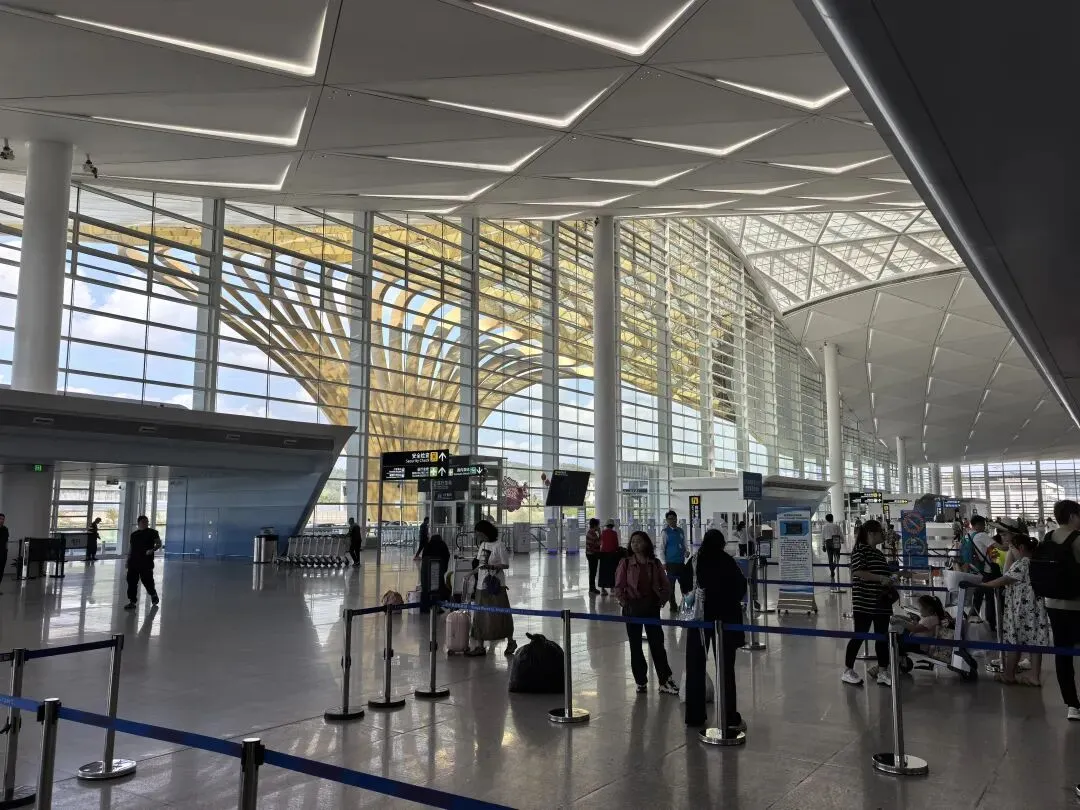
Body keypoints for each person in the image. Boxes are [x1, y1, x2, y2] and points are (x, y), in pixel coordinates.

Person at [684, 529, 747, 732]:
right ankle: (730, 716)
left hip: (699, 620)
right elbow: (740, 588)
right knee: (726, 669)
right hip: (726, 620)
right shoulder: (727, 562)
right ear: (721, 543)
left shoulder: (695, 560)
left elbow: (685, 585)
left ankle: (694, 715)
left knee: (695, 666)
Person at [980, 521, 1049, 686]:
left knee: (1013, 640)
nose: (1010, 550)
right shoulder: (1036, 561)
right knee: (1035, 642)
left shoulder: (1023, 563)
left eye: (1012, 548)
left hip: (1020, 609)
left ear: (1021, 548)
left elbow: (1006, 578)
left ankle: (1009, 675)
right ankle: (1034, 676)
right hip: (1036, 608)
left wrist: (984, 585)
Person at [615, 531, 679, 695]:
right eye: (633, 542)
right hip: (632, 608)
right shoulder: (626, 563)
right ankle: (640, 681)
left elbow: (665, 585)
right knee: (635, 646)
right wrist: (625, 603)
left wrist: (661, 600)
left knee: (657, 644)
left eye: (639, 541)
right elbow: (619, 586)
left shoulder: (655, 563)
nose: (635, 544)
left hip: (651, 607)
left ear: (646, 543)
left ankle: (665, 680)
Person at [841, 519, 897, 687]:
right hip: (865, 601)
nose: (883, 534)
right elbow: (858, 572)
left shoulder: (878, 553)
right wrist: (880, 578)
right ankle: (848, 670)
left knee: (882, 637)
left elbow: (884, 574)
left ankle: (883, 671)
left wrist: (892, 577)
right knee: (860, 635)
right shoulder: (860, 550)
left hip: (882, 602)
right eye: (881, 532)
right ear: (871, 533)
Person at [1040, 500, 1080, 719]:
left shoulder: (1047, 538)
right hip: (1076, 604)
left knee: (1062, 652)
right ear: (1073, 516)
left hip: (1053, 603)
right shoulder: (1077, 539)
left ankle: (1072, 705)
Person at [467, 520, 517, 656]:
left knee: (501, 614)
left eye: (479, 534)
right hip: (481, 585)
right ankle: (480, 646)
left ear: (486, 532)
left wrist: (493, 566)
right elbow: (480, 564)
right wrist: (470, 574)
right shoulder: (483, 545)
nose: (478, 537)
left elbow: (506, 564)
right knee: (480, 615)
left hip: (496, 585)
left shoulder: (499, 545)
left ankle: (511, 641)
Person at [961, 515, 997, 631]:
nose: (984, 527)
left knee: (977, 598)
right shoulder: (981, 535)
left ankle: (971, 623)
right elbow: (999, 547)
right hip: (986, 570)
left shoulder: (967, 536)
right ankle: (991, 624)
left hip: (974, 570)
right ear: (977, 525)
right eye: (983, 524)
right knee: (990, 598)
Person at [124, 515, 161, 610]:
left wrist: (152, 550)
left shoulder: (153, 532)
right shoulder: (134, 535)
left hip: (146, 562)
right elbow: (131, 548)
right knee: (131, 582)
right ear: (138, 523)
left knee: (147, 580)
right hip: (133, 562)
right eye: (143, 522)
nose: (145, 523)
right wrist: (127, 560)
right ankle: (132, 601)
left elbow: (159, 544)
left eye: (147, 521)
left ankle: (153, 594)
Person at [661, 510, 689, 612]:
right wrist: (664, 562)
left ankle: (686, 604)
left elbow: (685, 543)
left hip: (681, 562)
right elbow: (662, 548)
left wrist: (687, 551)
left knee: (684, 585)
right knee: (671, 587)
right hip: (671, 563)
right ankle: (673, 606)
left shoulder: (681, 531)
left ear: (676, 519)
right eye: (669, 519)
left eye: (673, 518)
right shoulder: (665, 532)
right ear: (667, 520)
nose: (672, 520)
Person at [596, 520, 621, 596]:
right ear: (612, 526)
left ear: (606, 525)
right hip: (612, 554)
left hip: (603, 554)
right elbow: (616, 544)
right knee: (612, 571)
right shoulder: (614, 533)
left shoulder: (603, 532)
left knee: (603, 572)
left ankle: (603, 589)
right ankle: (612, 589)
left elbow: (600, 542)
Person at [821, 513, 844, 582]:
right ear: (832, 518)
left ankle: (831, 570)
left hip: (828, 542)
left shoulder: (824, 527)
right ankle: (833, 568)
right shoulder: (836, 526)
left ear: (826, 519)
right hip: (836, 541)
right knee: (837, 557)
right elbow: (840, 534)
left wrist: (823, 545)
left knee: (830, 558)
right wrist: (842, 540)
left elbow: (823, 536)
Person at [585, 518, 602, 595]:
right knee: (593, 572)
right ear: (595, 525)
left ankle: (592, 588)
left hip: (590, 554)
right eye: (598, 525)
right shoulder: (593, 533)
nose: (598, 526)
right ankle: (592, 588)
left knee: (592, 571)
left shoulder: (590, 532)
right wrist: (600, 533)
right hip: (593, 555)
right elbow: (599, 543)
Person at [0, 513, 8, 594]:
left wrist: (6, 550)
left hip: (3, 553)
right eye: (0, 519)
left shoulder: (5, 529)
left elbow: (6, 542)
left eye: (3, 519)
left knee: (1, 571)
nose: (2, 520)